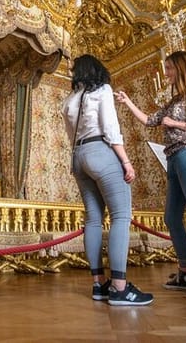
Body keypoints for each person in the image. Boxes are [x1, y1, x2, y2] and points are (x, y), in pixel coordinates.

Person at [115, 50, 186, 300]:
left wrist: (177, 124)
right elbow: (150, 120)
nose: (166, 72)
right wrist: (127, 102)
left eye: (169, 68)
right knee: (171, 218)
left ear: (181, 68)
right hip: (174, 159)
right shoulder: (174, 99)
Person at [62, 53, 154, 306]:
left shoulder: (70, 100)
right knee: (121, 216)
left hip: (78, 156)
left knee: (93, 219)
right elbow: (111, 129)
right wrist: (125, 161)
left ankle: (98, 285)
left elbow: (71, 134)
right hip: (100, 151)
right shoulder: (102, 90)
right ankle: (120, 287)